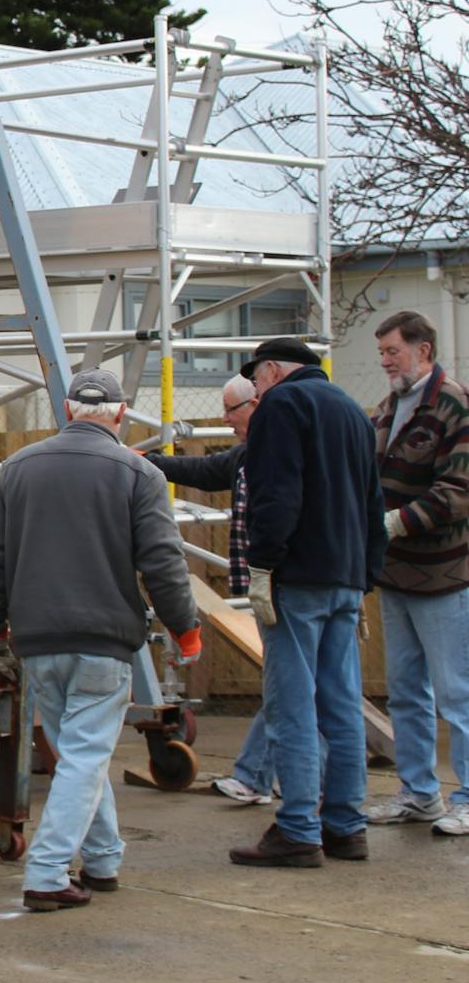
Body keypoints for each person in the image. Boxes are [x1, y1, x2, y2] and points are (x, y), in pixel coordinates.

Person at [0, 368, 201, 912]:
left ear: (67, 410)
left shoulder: (17, 468)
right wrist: (186, 630)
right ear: (120, 414)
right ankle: (47, 873)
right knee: (84, 757)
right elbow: (163, 562)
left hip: (38, 640)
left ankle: (101, 859)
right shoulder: (138, 473)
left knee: (78, 756)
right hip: (104, 640)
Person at [229, 338, 386, 868]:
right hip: (346, 577)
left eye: (256, 380)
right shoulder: (354, 411)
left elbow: (277, 494)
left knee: (291, 706)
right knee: (341, 706)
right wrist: (366, 573)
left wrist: (263, 564)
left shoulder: (281, 406)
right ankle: (346, 825)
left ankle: (297, 828)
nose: (256, 391)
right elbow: (372, 500)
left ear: (273, 370)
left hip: (296, 578)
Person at [144, 374, 274, 805]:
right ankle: (266, 777)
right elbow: (207, 470)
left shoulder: (275, 451)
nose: (225, 418)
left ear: (255, 405)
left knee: (290, 686)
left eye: (231, 409)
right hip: (273, 587)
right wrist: (150, 461)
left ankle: (258, 777)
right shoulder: (249, 454)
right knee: (296, 687)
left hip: (284, 587)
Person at [363, 310, 469, 836]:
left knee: (457, 693)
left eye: (393, 351)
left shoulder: (454, 405)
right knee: (405, 691)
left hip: (444, 574)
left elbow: (458, 492)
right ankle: (419, 794)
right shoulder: (388, 407)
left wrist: (392, 523)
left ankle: (467, 798)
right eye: (382, 352)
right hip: (397, 574)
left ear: (423, 350)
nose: (385, 361)